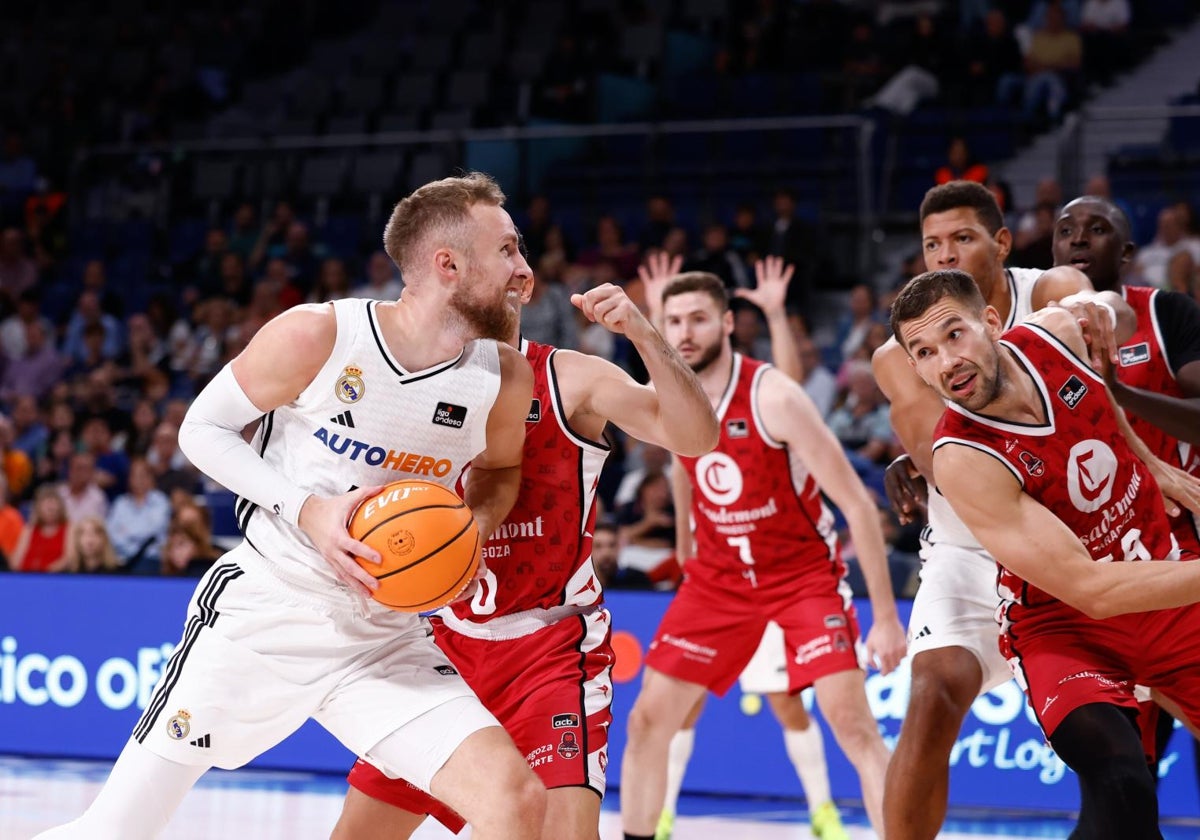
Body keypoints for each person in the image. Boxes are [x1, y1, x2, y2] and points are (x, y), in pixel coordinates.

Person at [33, 172, 548, 840]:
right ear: (447, 265)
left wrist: (470, 531)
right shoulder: (322, 335)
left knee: (517, 804)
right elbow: (202, 430)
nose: (526, 269)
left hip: (384, 637)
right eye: (507, 250)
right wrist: (310, 511)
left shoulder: (502, 378)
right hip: (267, 611)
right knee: (113, 833)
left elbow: (501, 470)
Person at [330, 237, 718, 840]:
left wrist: (644, 335)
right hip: (438, 646)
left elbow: (696, 438)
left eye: (509, 257)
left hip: (549, 649)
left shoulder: (571, 378)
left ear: (523, 283)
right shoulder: (411, 384)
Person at [891, 268, 1200, 837]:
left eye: (955, 335)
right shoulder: (962, 456)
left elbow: (1106, 369)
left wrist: (1102, 304)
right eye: (925, 352)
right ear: (914, 367)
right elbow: (1090, 590)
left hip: (1161, 584)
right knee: (1123, 784)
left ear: (990, 322)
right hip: (1067, 625)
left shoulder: (1055, 334)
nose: (946, 361)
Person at [620, 268, 908, 840]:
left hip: (801, 575)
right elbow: (682, 467)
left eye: (699, 319)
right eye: (674, 321)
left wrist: (888, 619)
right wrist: (684, 549)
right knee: (650, 720)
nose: (685, 332)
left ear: (727, 323)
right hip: (718, 580)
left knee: (851, 724)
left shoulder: (774, 395)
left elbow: (855, 504)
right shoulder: (669, 399)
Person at [871, 180, 1110, 840]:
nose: (944, 256)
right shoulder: (899, 352)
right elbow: (946, 460)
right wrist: (916, 460)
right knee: (930, 696)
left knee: (1119, 731)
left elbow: (1108, 334)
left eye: (963, 239)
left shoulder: (1054, 292)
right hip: (972, 546)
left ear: (1002, 244)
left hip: (1075, 534)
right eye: (931, 245)